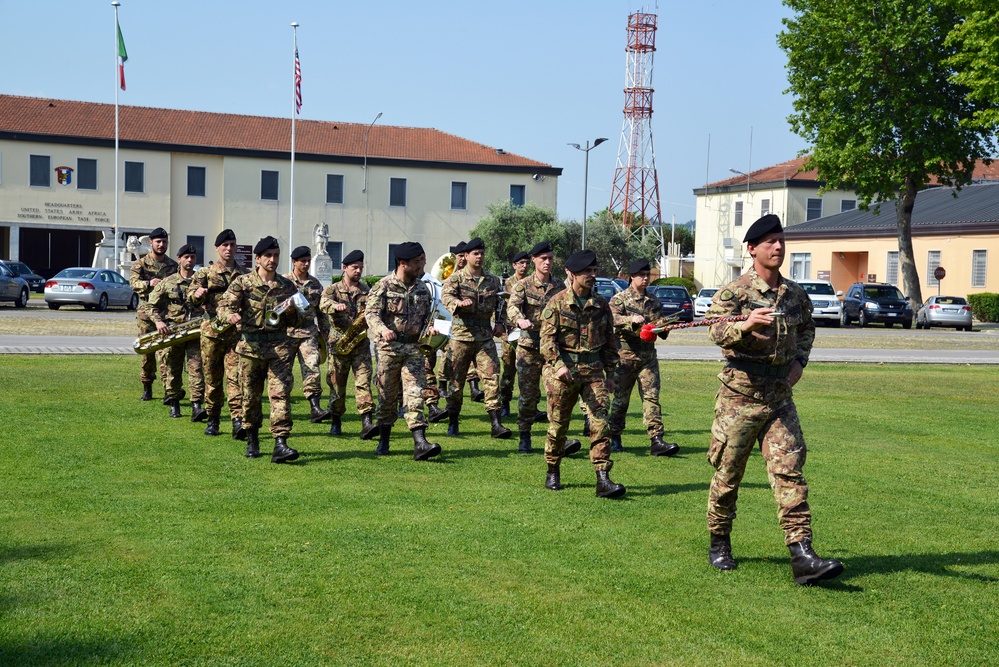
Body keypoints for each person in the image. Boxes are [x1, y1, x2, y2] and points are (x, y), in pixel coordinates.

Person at [704, 213, 843, 585]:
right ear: (752, 250)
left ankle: (802, 554)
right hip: (740, 396)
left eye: (780, 240)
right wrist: (744, 325)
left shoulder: (795, 294)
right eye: (769, 242)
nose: (778, 247)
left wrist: (800, 361)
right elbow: (714, 332)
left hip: (780, 396)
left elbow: (807, 328)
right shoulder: (734, 293)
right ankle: (719, 540)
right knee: (729, 473)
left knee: (790, 471)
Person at [540, 249, 624, 498]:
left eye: (594, 271)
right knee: (558, 425)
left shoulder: (601, 306)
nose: (592, 275)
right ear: (571, 274)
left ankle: (603, 478)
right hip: (563, 373)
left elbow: (610, 343)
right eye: (587, 271)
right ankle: (553, 469)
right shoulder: (556, 303)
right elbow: (546, 341)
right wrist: (558, 365)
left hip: (593, 372)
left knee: (600, 423)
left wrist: (610, 374)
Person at [217, 236, 304, 463]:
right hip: (250, 348)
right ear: (258, 259)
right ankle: (253, 439)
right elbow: (223, 306)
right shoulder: (243, 283)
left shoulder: (287, 286)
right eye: (268, 256)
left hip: (279, 349)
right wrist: (230, 315)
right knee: (251, 397)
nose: (273, 260)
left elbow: (298, 321)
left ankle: (281, 443)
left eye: (276, 255)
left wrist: (292, 311)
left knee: (280, 394)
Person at [363, 241, 442, 460]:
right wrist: (382, 329)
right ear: (402, 263)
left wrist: (431, 328)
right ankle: (384, 440)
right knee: (387, 396)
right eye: (418, 262)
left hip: (414, 349)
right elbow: (371, 314)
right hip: (389, 349)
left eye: (423, 260)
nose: (422, 265)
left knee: (415, 392)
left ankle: (420, 443)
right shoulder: (383, 286)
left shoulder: (422, 288)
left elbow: (427, 316)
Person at [507, 241, 580, 455]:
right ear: (534, 261)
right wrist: (520, 320)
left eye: (550, 258)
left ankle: (557, 439)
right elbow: (512, 307)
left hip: (553, 351)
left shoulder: (560, 286)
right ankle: (525, 436)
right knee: (528, 395)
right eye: (543, 259)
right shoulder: (523, 285)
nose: (547, 262)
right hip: (529, 347)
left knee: (555, 395)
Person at [607, 258, 680, 457]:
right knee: (621, 400)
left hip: (647, 356)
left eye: (648, 275)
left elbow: (658, 326)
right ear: (632, 276)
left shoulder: (654, 301)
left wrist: (665, 325)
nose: (646, 278)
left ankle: (656, 439)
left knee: (651, 398)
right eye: (642, 275)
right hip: (625, 357)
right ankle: (614, 436)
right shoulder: (619, 299)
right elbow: (612, 319)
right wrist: (631, 319)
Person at [441, 237, 511, 439]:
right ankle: (453, 421)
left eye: (482, 253)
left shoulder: (492, 280)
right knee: (456, 381)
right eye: (475, 254)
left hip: (484, 338)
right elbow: (446, 297)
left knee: (491, 378)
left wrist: (500, 323)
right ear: (467, 256)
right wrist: (457, 303)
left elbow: (501, 304)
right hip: (461, 337)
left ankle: (496, 424)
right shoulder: (456, 278)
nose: (479, 257)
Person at [187, 229, 248, 439]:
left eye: (232, 245)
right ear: (217, 248)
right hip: (212, 332)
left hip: (235, 334)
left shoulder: (244, 274)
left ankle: (237, 421)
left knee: (236, 378)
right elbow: (190, 297)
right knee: (213, 379)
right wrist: (196, 294)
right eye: (225, 245)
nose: (229, 249)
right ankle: (213, 418)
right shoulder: (205, 273)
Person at [320, 249, 375, 437]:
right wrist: (334, 306)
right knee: (337, 385)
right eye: (354, 267)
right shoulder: (332, 289)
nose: (358, 271)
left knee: (364, 382)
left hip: (360, 345)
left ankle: (367, 421)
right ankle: (336, 421)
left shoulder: (367, 290)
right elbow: (323, 304)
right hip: (339, 344)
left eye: (360, 267)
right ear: (344, 268)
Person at [148, 244, 205, 420]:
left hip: (195, 331)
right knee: (173, 368)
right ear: (179, 259)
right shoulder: (168, 281)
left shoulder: (202, 281)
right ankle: (174, 403)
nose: (189, 260)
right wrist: (158, 322)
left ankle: (197, 406)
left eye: (193, 257)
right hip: (174, 331)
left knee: (197, 369)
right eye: (186, 257)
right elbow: (151, 304)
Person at [129, 227, 178, 401]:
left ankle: (168, 389)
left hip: (166, 314)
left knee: (167, 352)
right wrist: (150, 283)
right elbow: (133, 283)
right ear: (151, 243)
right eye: (158, 241)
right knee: (147, 352)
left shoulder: (173, 265)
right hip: (146, 314)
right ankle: (147, 385)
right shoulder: (140, 264)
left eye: (164, 242)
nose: (161, 244)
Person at [285, 245, 332, 424]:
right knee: (284, 373)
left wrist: (327, 336)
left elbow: (321, 313)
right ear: (294, 262)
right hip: (287, 333)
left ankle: (315, 408)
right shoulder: (284, 282)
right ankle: (283, 409)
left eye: (307, 260)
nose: (305, 264)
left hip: (308, 332)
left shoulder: (315, 284)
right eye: (302, 261)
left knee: (312, 369)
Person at [499, 250, 531, 416]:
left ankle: (531, 404)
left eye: (527, 263)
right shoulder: (507, 283)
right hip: (510, 331)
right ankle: (505, 402)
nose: (524, 266)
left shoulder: (531, 282)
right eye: (521, 263)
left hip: (528, 332)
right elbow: (499, 308)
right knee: (509, 369)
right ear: (514, 265)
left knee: (529, 370)